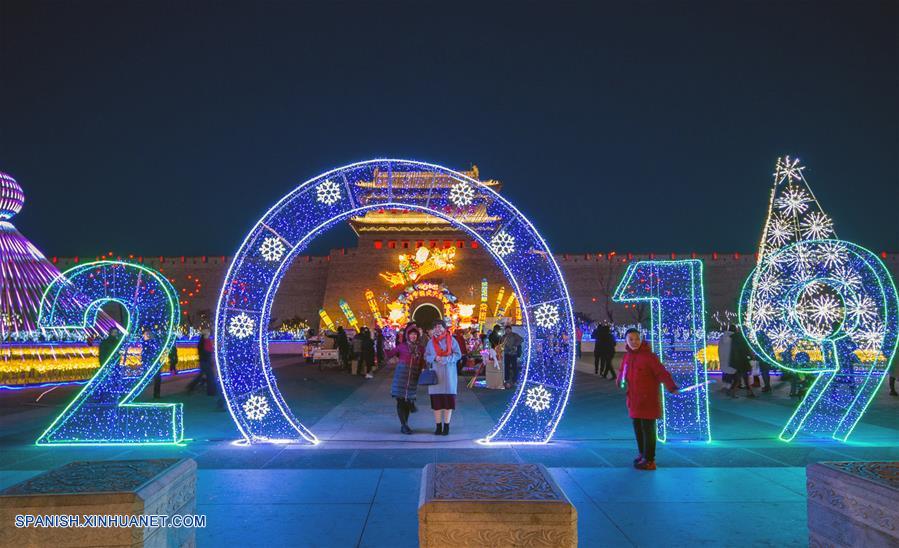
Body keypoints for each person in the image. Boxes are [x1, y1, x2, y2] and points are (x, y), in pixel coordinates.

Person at [620, 328, 679, 470]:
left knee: (648, 430)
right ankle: (642, 454)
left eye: (637, 339)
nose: (634, 342)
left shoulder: (649, 357)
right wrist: (620, 381)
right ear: (626, 341)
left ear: (641, 340)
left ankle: (650, 459)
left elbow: (661, 373)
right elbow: (623, 371)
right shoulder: (628, 356)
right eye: (631, 339)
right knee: (638, 428)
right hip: (634, 400)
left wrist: (672, 387)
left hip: (648, 400)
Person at [385, 324, 425, 434]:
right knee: (400, 401)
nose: (413, 336)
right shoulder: (402, 346)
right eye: (411, 334)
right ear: (408, 335)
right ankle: (404, 425)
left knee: (408, 401)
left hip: (413, 378)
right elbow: (390, 354)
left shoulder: (421, 348)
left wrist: (422, 370)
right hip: (401, 377)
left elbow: (422, 362)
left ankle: (405, 423)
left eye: (415, 334)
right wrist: (385, 348)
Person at [424, 320, 461, 436]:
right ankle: (438, 426)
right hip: (436, 375)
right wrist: (434, 358)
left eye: (440, 327)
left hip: (449, 375)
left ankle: (447, 426)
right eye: (435, 327)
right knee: (437, 403)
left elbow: (458, 354)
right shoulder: (430, 342)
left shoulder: (452, 340)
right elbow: (426, 356)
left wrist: (446, 359)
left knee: (448, 403)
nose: (438, 329)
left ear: (445, 328)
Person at [728, 325, 756, 398]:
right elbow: (746, 348)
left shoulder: (732, 338)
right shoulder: (741, 338)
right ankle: (748, 393)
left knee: (739, 377)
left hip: (735, 360)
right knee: (742, 378)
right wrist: (751, 356)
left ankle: (733, 392)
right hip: (742, 360)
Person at [187, 327, 216, 396]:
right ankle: (211, 392)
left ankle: (191, 386)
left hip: (206, 361)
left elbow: (210, 350)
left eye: (209, 332)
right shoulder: (203, 342)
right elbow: (207, 351)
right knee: (210, 376)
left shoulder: (207, 341)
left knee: (202, 376)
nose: (209, 333)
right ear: (205, 334)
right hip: (205, 361)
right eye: (207, 332)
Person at [502, 324, 523, 389]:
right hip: (506, 353)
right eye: (506, 330)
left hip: (513, 353)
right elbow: (501, 344)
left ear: (511, 330)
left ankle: (515, 380)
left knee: (514, 367)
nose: (507, 331)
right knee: (506, 367)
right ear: (505, 330)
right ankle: (506, 379)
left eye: (508, 329)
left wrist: (515, 345)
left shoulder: (514, 335)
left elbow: (521, 339)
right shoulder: (503, 336)